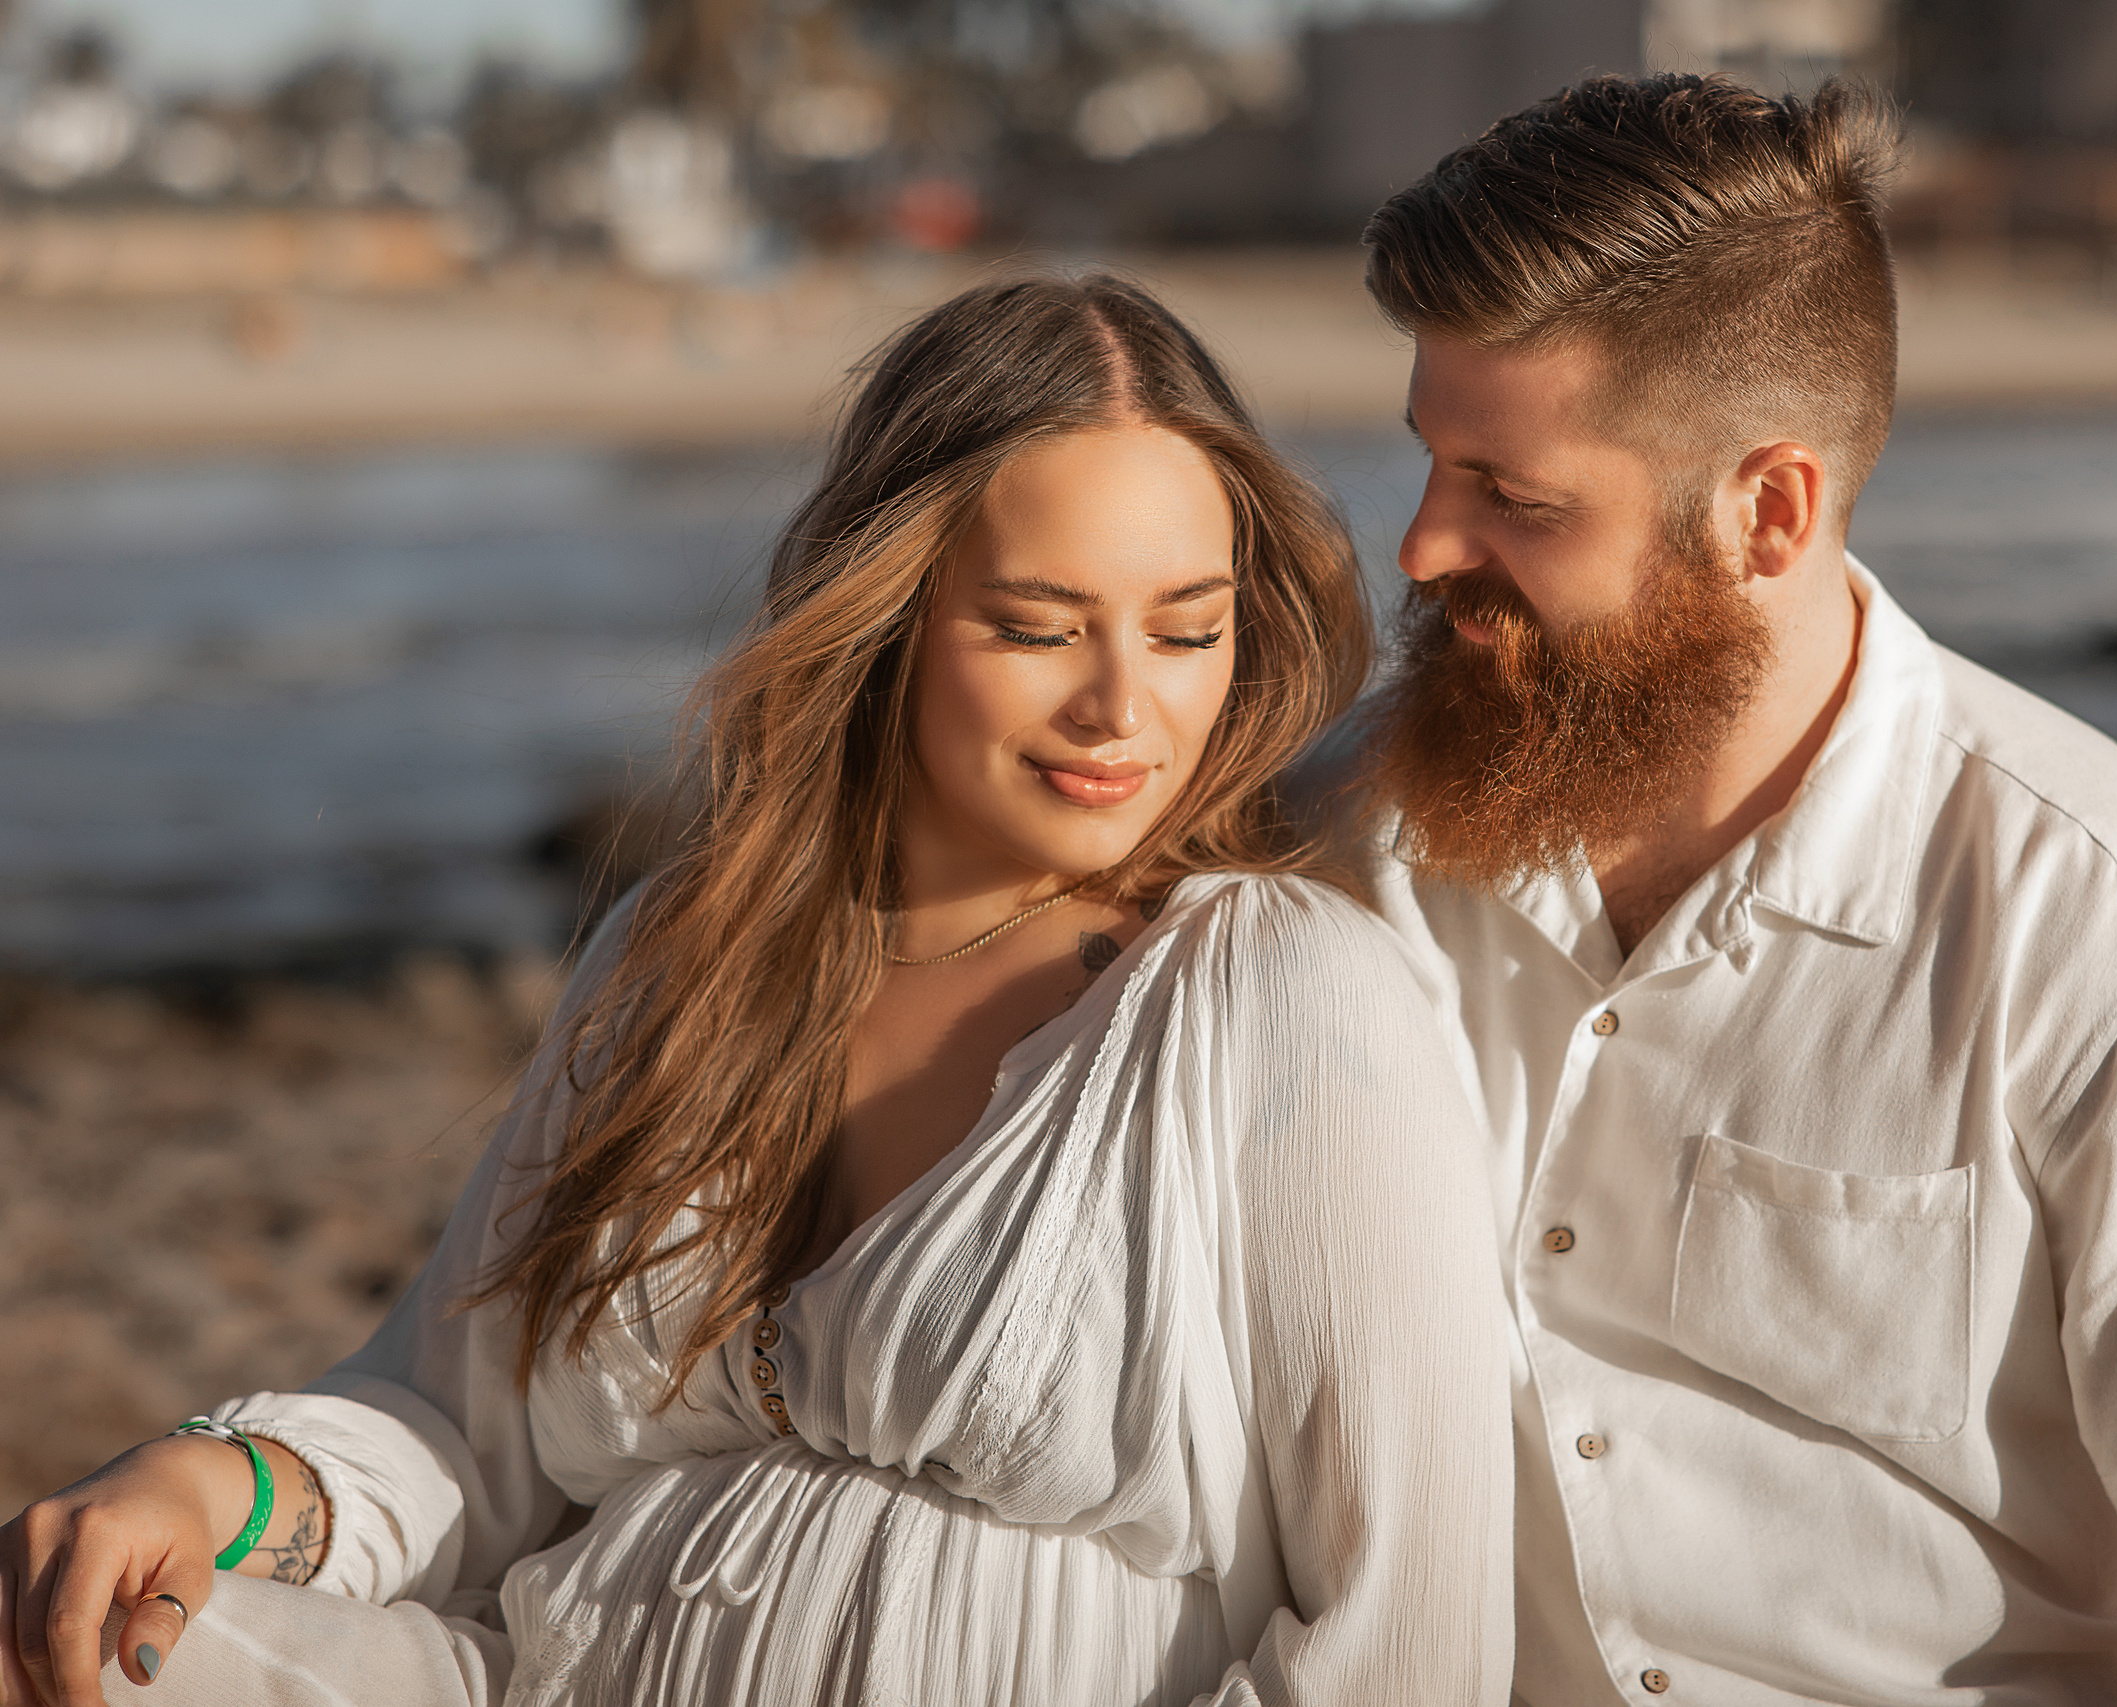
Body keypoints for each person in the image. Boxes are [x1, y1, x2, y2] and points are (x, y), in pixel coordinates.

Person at [2, 274, 1513, 1707]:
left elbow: (1412, 1639)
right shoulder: (686, 957)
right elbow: (461, 1435)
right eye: (1039, 627)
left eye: (1189, 629)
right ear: (886, 614)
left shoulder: (1286, 997)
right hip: (532, 1679)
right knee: (30, 1630)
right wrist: (220, 1480)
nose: (1125, 705)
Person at [1335, 74, 2117, 1705]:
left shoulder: (2110, 941)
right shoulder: (1346, 836)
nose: (1417, 548)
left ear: (1768, 513)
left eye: (1515, 498)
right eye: (1431, 464)